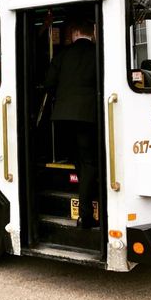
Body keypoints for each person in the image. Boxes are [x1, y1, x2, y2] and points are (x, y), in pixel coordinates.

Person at [44, 18, 98, 229]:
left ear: (75, 32)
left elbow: (49, 83)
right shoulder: (97, 53)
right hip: (88, 116)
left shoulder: (62, 55)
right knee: (89, 163)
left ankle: (82, 196)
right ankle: (85, 216)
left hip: (62, 118)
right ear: (91, 33)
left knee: (77, 162)